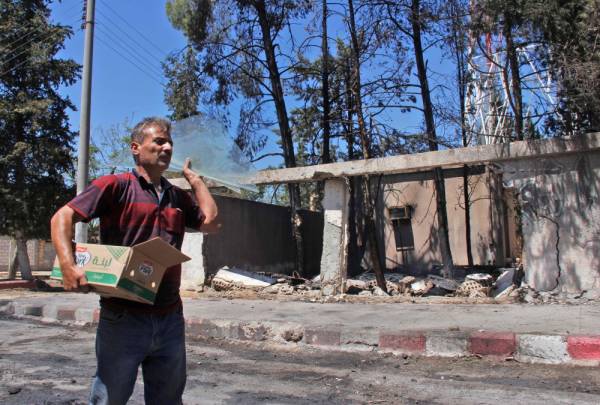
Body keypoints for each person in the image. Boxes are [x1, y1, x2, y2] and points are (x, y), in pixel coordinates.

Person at [50, 117, 219, 404]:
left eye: (170, 143)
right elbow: (62, 217)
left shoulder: (177, 196)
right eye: (159, 141)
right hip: (123, 316)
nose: (167, 147)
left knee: (167, 399)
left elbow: (211, 223)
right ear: (136, 148)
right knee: (109, 397)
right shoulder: (115, 186)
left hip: (169, 316)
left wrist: (196, 181)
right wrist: (67, 264)